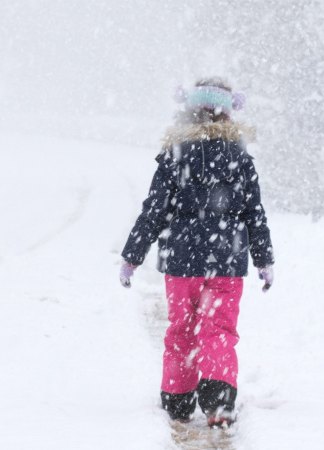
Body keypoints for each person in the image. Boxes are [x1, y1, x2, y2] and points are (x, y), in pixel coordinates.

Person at [119, 77, 274, 428]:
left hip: (181, 261)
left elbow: (154, 211)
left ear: (188, 111)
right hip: (226, 260)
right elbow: (255, 214)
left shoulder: (175, 156)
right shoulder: (241, 160)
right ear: (228, 115)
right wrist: (264, 259)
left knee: (182, 330)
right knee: (218, 330)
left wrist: (132, 256)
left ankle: (177, 401)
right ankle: (219, 402)